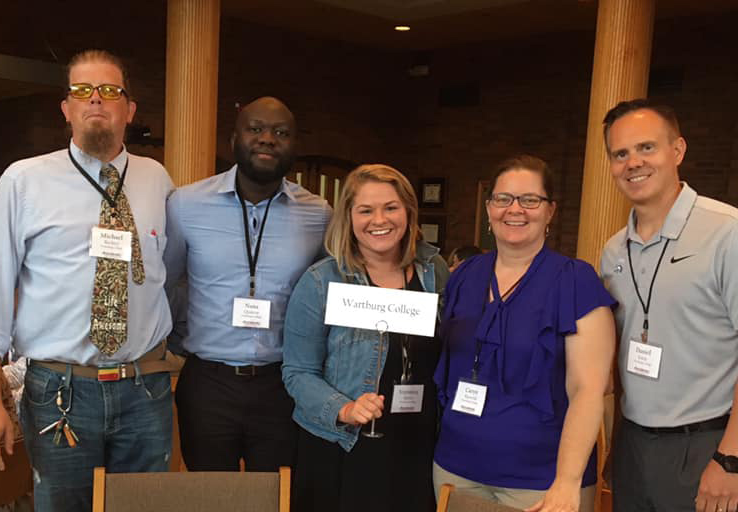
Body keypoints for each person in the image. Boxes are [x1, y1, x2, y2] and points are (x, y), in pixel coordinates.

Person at [0, 49, 174, 512]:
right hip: (60, 392)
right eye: (82, 90)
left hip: (145, 389)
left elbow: (171, 275)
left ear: (129, 109)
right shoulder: (24, 181)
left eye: (109, 90)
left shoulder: (157, 180)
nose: (95, 99)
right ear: (66, 109)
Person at [433, 155, 616, 512]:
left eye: (530, 200)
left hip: (540, 481)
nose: (514, 209)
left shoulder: (575, 280)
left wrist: (567, 482)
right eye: (503, 198)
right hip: (454, 469)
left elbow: (588, 389)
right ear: (489, 208)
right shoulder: (464, 275)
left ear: (550, 211)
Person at [164, 97, 331, 471]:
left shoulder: (318, 214)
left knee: (278, 494)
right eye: (255, 129)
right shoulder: (186, 205)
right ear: (233, 140)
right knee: (211, 495)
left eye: (281, 133)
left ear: (294, 145)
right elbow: (167, 281)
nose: (267, 139)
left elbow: (327, 294)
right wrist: (180, 337)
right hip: (208, 384)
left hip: (282, 384)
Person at [282, 164, 450, 511]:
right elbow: (298, 373)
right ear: (348, 217)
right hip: (344, 445)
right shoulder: (321, 281)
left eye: (391, 207)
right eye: (366, 210)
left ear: (408, 212)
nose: (380, 220)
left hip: (416, 446)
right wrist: (344, 409)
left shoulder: (435, 271)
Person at [600, 99, 738, 512]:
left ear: (677, 150)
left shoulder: (726, 233)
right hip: (634, 444)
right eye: (620, 154)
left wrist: (730, 459)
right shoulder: (613, 251)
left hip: (708, 445)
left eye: (646, 147)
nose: (633, 163)